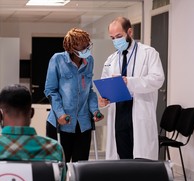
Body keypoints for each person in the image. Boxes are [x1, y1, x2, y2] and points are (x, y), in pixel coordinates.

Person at [99, 17, 164, 160]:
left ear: (130, 32)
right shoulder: (111, 60)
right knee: (122, 159)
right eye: (112, 38)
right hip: (119, 115)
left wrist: (129, 81)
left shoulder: (149, 53)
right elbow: (106, 85)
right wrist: (104, 100)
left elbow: (157, 79)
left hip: (139, 113)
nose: (116, 41)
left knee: (141, 162)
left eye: (119, 36)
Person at [44, 28, 103, 163]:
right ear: (71, 48)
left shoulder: (89, 61)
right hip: (61, 122)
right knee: (59, 166)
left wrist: (95, 110)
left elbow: (89, 91)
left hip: (83, 124)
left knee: (81, 167)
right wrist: (60, 114)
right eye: (82, 47)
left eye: (87, 45)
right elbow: (50, 90)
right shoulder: (57, 59)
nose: (86, 49)